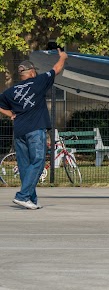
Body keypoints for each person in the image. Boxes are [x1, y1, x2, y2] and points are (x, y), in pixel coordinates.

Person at [0, 48, 68, 209]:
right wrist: (63, 57)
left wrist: (10, 114)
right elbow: (56, 69)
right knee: (37, 162)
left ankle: (30, 199)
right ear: (31, 73)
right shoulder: (38, 81)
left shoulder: (11, 91)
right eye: (34, 72)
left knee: (25, 166)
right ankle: (22, 195)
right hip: (35, 130)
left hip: (19, 132)